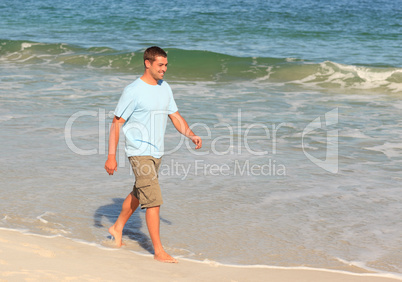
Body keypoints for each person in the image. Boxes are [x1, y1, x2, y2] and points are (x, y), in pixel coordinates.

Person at [104, 46, 202, 263]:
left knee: (140, 193)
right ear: (147, 63)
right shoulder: (133, 90)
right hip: (139, 152)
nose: (164, 69)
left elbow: (174, 115)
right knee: (154, 200)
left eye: (166, 65)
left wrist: (191, 134)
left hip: (157, 151)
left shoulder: (165, 87)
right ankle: (158, 251)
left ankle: (117, 227)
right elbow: (117, 123)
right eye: (160, 65)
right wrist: (111, 156)